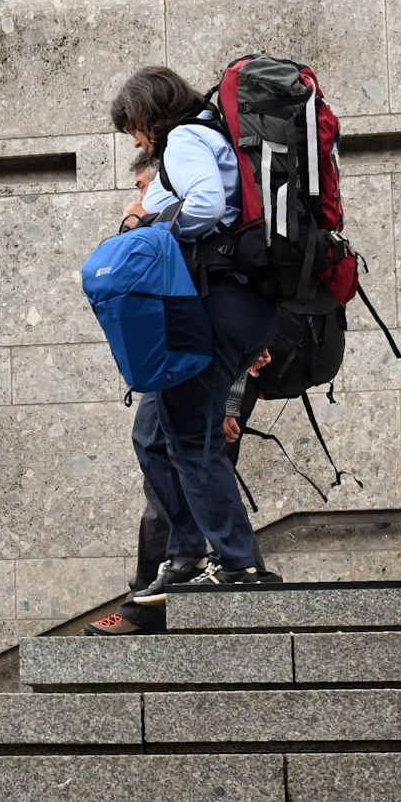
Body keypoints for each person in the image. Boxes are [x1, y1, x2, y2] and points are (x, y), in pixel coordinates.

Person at [109, 67, 277, 596]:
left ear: (149, 115)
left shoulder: (184, 138)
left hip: (219, 302)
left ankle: (239, 564)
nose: (136, 141)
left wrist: (148, 229)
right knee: (154, 434)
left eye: (133, 128)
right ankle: (184, 555)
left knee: (191, 438)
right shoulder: (214, 135)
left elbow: (204, 205)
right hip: (242, 305)